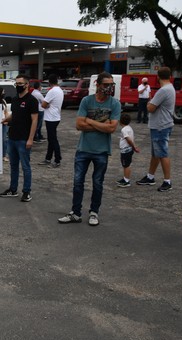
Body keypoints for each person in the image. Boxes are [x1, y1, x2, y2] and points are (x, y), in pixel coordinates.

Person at [58, 71, 120, 226]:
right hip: (83, 149)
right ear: (97, 84)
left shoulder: (115, 104)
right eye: (106, 84)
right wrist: (102, 125)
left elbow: (111, 128)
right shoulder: (86, 101)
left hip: (102, 151)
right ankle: (76, 213)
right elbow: (79, 125)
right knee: (78, 182)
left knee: (97, 183)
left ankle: (94, 212)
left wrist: (90, 122)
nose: (109, 88)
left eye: (111, 85)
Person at [0, 74, 38, 203]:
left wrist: (30, 139)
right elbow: (14, 114)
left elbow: (34, 120)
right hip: (12, 138)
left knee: (25, 166)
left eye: (20, 84)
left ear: (27, 85)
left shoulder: (32, 100)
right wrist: (5, 120)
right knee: (13, 165)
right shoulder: (15, 99)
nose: (18, 86)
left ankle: (26, 192)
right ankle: (13, 189)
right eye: (16, 83)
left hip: (23, 139)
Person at [136, 66, 176, 192]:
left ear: (158, 77)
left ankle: (167, 181)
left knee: (162, 153)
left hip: (160, 125)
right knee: (156, 153)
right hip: (163, 124)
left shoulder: (163, 90)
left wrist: (150, 103)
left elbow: (150, 108)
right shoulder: (170, 88)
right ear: (170, 76)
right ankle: (150, 176)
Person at [38, 74, 64, 168]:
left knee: (53, 139)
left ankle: (57, 159)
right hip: (56, 116)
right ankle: (48, 158)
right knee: (51, 139)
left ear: (49, 82)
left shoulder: (52, 91)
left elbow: (43, 104)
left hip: (51, 118)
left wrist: (47, 104)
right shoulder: (60, 90)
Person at [115, 113, 139, 188]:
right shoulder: (129, 128)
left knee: (126, 165)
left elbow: (128, 139)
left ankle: (126, 181)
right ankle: (125, 178)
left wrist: (134, 146)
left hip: (126, 150)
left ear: (120, 121)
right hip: (129, 150)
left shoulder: (124, 130)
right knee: (126, 164)